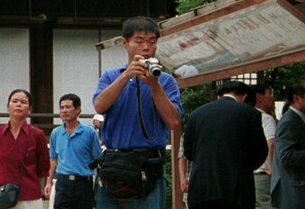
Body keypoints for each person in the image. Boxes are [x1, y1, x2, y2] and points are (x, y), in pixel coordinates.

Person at [92, 16, 182, 209]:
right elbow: (99, 106)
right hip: (114, 166)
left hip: (147, 168)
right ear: (125, 43)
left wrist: (154, 85)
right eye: (139, 41)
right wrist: (126, 75)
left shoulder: (166, 81)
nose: (146, 47)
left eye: (152, 41)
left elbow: (174, 122)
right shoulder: (111, 76)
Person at [182, 81, 267, 209]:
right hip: (236, 189)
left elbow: (188, 151)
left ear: (218, 96)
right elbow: (260, 152)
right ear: (244, 97)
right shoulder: (250, 114)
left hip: (202, 187)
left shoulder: (196, 114)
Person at [0, 89, 50, 209]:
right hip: (3, 196)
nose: (18, 104)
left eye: (23, 102)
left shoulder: (37, 135)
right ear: (8, 107)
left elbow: (43, 168)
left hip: (30, 197)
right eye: (15, 101)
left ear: (30, 109)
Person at [45, 93, 100, 209]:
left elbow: (97, 159)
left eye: (68, 107)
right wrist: (48, 182)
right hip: (63, 183)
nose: (64, 111)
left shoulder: (89, 133)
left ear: (78, 110)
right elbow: (53, 159)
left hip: (83, 183)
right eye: (62, 107)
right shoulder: (56, 133)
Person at [271, 79, 305, 209]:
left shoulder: (297, 120)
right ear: (297, 98)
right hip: (294, 191)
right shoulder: (289, 122)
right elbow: (286, 156)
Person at [251, 84, 277, 209]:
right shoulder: (266, 119)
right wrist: (271, 168)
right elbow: (270, 143)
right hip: (263, 175)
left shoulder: (245, 116)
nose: (272, 98)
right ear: (259, 96)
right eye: (269, 93)